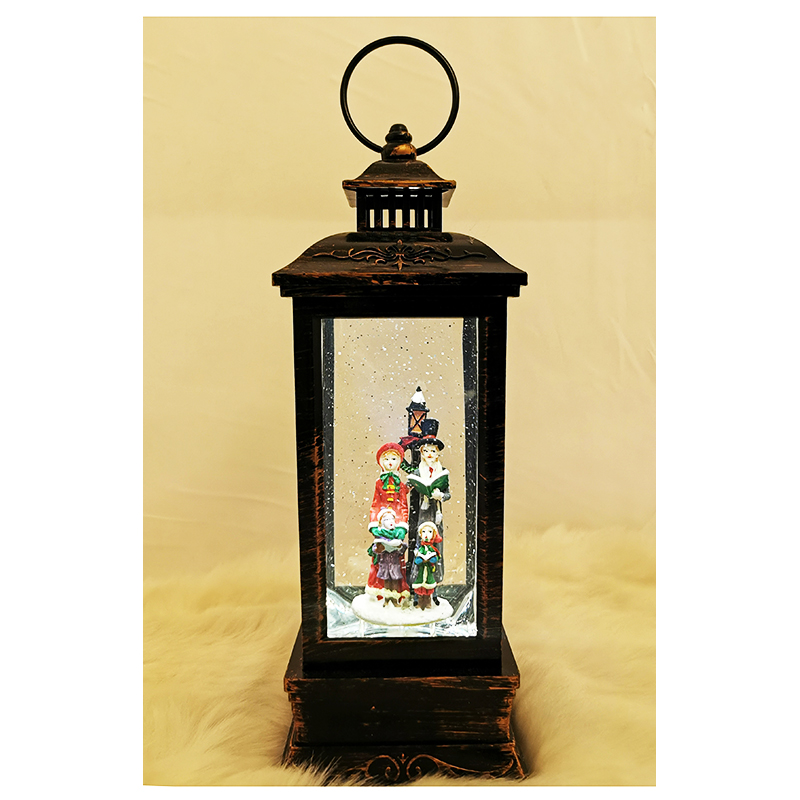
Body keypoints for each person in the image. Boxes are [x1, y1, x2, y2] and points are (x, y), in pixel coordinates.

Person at [366, 507, 410, 606]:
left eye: (392, 519)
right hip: (384, 563)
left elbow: (402, 550)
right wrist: (379, 549)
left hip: (394, 563)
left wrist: (399, 546)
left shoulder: (398, 534)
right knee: (386, 581)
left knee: (394, 581)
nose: (390, 522)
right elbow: (374, 549)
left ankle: (394, 600)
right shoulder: (380, 535)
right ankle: (386, 599)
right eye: (387, 519)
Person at [409, 521, 442, 610]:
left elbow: (436, 558)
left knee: (429, 586)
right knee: (420, 587)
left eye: (429, 532)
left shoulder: (432, 549)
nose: (426, 534)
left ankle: (428, 602)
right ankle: (420, 602)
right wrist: (421, 559)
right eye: (424, 532)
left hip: (429, 571)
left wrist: (431, 559)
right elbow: (417, 560)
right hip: (421, 570)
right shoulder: (421, 549)